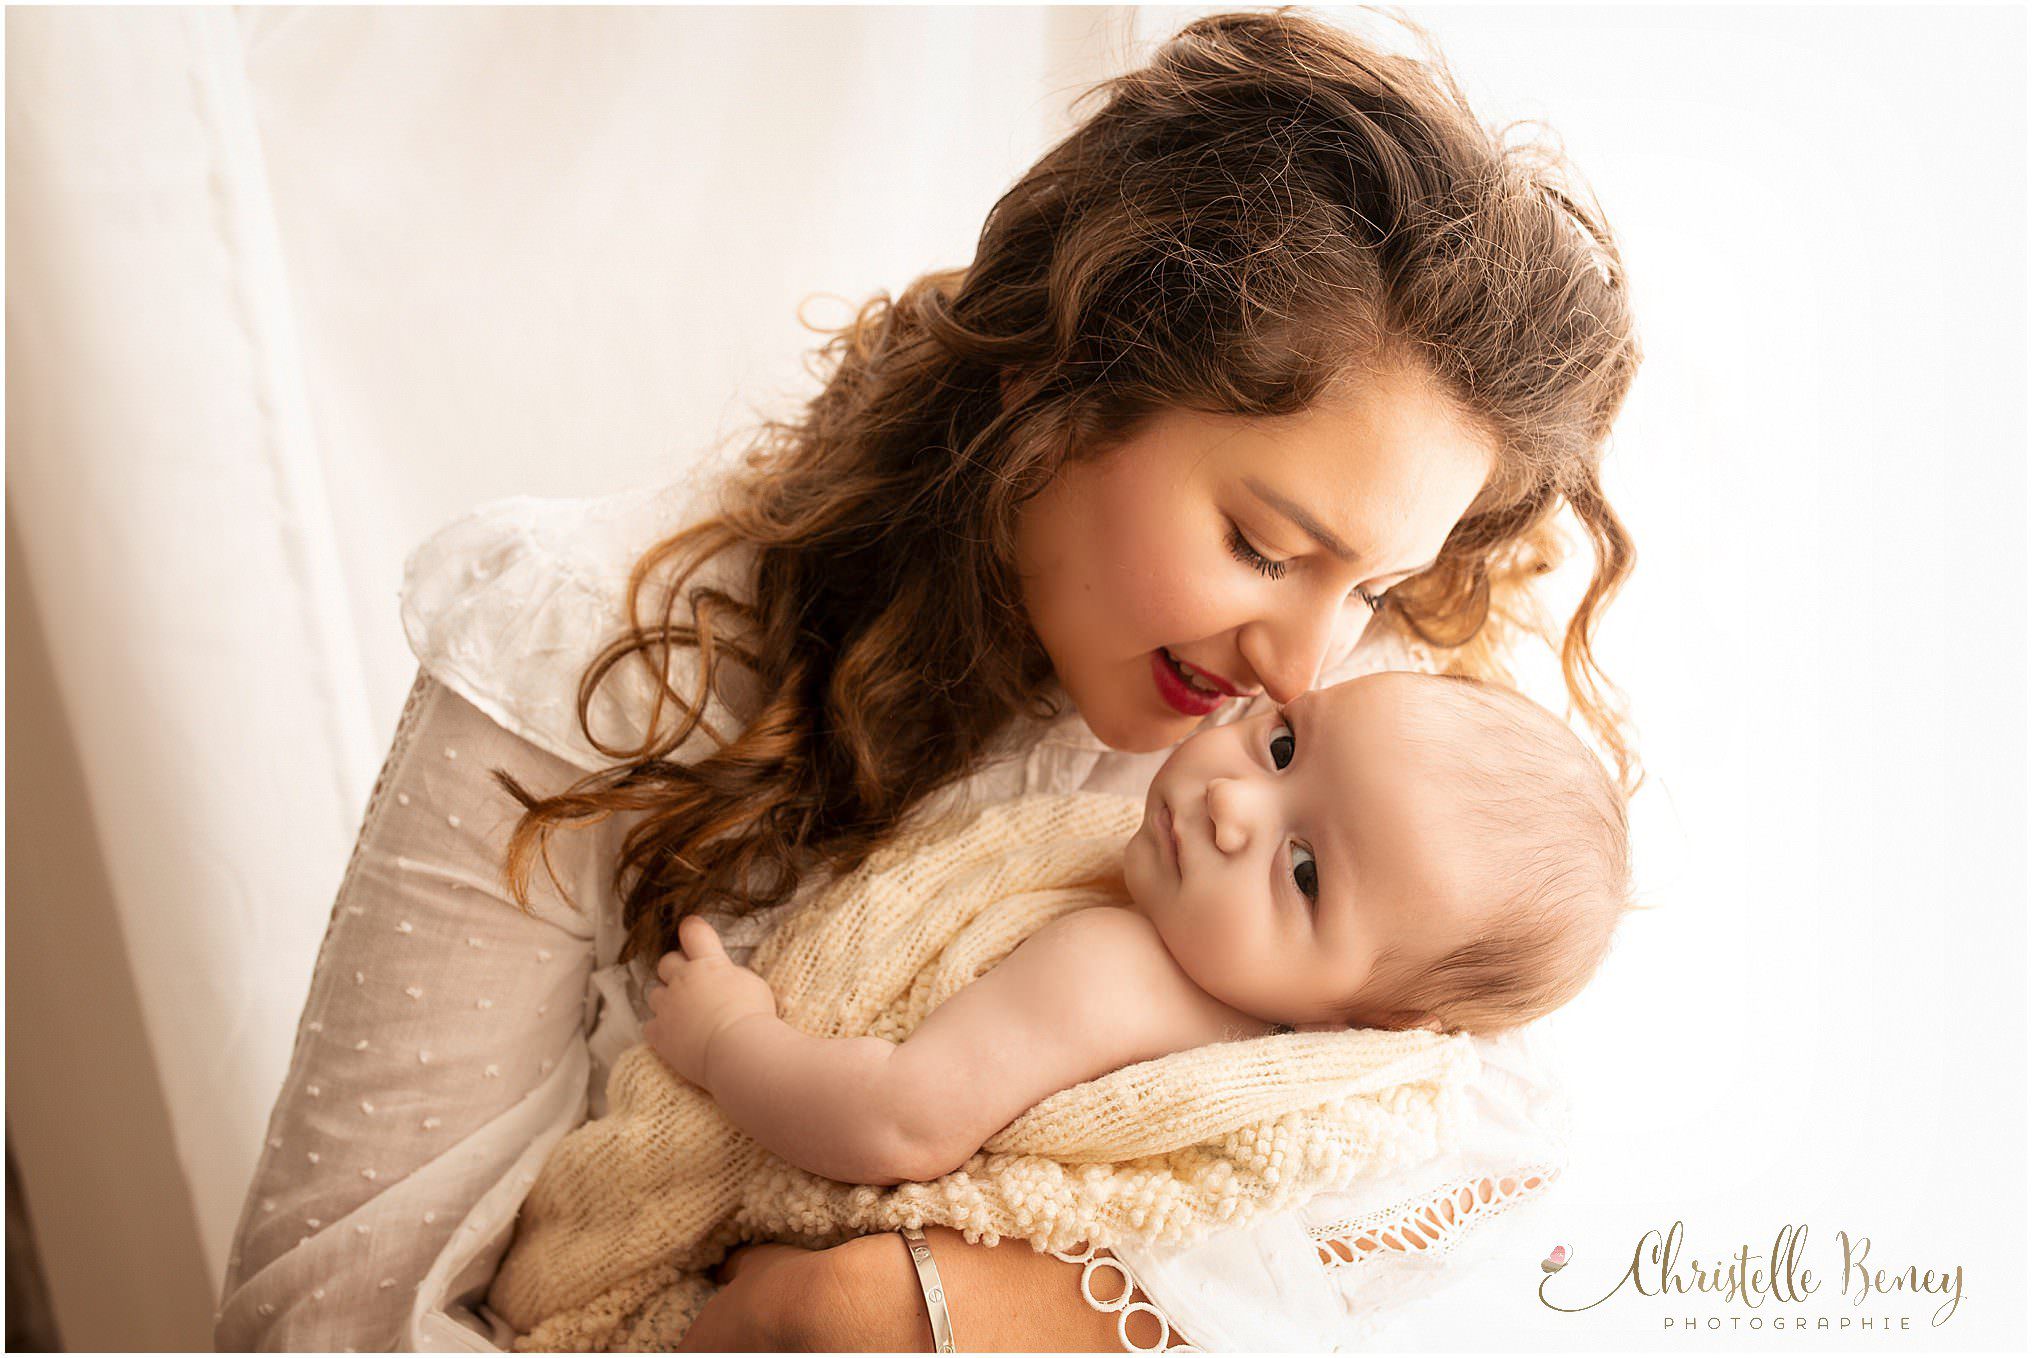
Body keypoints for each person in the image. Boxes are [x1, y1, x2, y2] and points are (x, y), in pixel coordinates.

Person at [217, 7, 1640, 1350]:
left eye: (1377, 585)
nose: (1308, 664)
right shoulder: (590, 649)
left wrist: (889, 1302)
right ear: (1051, 377)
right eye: (1264, 546)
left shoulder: (1342, 733)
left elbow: (1463, 1141)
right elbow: (323, 1320)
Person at [484, 670, 1632, 1351]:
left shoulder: (1114, 964)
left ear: (1367, 1022)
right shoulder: (1222, 973)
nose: (1235, 801)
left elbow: (900, 1119)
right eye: (1283, 741)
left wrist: (728, 1038)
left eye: (1303, 873)